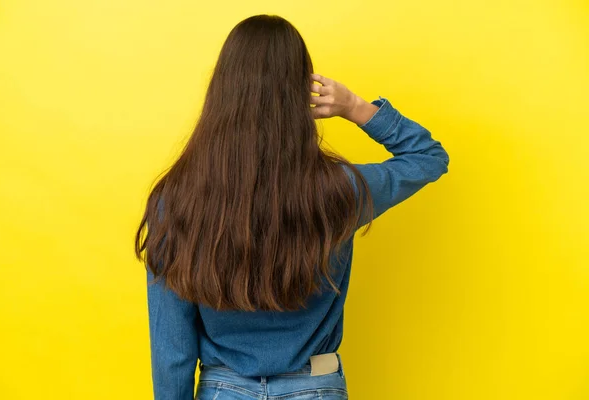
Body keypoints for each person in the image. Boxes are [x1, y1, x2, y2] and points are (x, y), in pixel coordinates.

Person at [135, 14, 449, 400]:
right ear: (300, 91)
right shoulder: (338, 191)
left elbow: (172, 347)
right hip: (316, 386)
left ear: (221, 90)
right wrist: (354, 106)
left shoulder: (178, 199)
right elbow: (428, 156)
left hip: (222, 389)